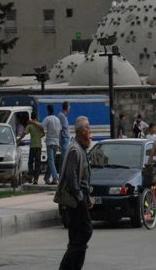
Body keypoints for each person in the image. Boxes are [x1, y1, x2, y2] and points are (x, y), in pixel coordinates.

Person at [58, 116, 93, 270]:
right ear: (81, 132)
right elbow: (71, 177)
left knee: (76, 238)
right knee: (85, 231)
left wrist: (88, 196)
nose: (90, 133)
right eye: (88, 129)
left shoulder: (81, 149)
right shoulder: (74, 149)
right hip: (75, 200)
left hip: (82, 197)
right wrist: (80, 197)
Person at [17, 112, 45, 184]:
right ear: (36, 117)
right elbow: (43, 133)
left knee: (30, 162)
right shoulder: (39, 125)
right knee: (37, 163)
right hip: (39, 146)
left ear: (31, 117)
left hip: (32, 146)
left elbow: (24, 134)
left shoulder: (30, 125)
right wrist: (39, 137)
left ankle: (31, 176)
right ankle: (36, 179)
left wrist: (19, 139)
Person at [43, 104, 62, 185]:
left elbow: (42, 126)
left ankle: (55, 178)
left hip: (50, 142)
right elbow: (60, 131)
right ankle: (46, 178)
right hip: (56, 142)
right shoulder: (57, 119)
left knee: (51, 161)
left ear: (48, 110)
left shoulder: (47, 119)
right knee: (52, 161)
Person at [57, 101, 71, 174]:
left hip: (66, 140)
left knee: (64, 159)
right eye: (69, 107)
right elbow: (59, 130)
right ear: (67, 107)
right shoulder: (61, 116)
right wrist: (59, 142)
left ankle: (62, 175)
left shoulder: (64, 116)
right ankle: (62, 175)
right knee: (64, 159)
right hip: (64, 140)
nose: (70, 108)